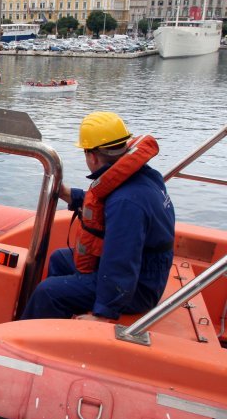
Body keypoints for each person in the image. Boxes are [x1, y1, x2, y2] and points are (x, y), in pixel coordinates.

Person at [21, 111, 175, 322]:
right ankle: (60, 326)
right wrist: (71, 196)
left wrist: (103, 315)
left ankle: (32, 345)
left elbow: (121, 263)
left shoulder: (126, 203)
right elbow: (107, 207)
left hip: (138, 288)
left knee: (48, 291)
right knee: (59, 258)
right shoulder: (143, 177)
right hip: (143, 272)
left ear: (91, 156)